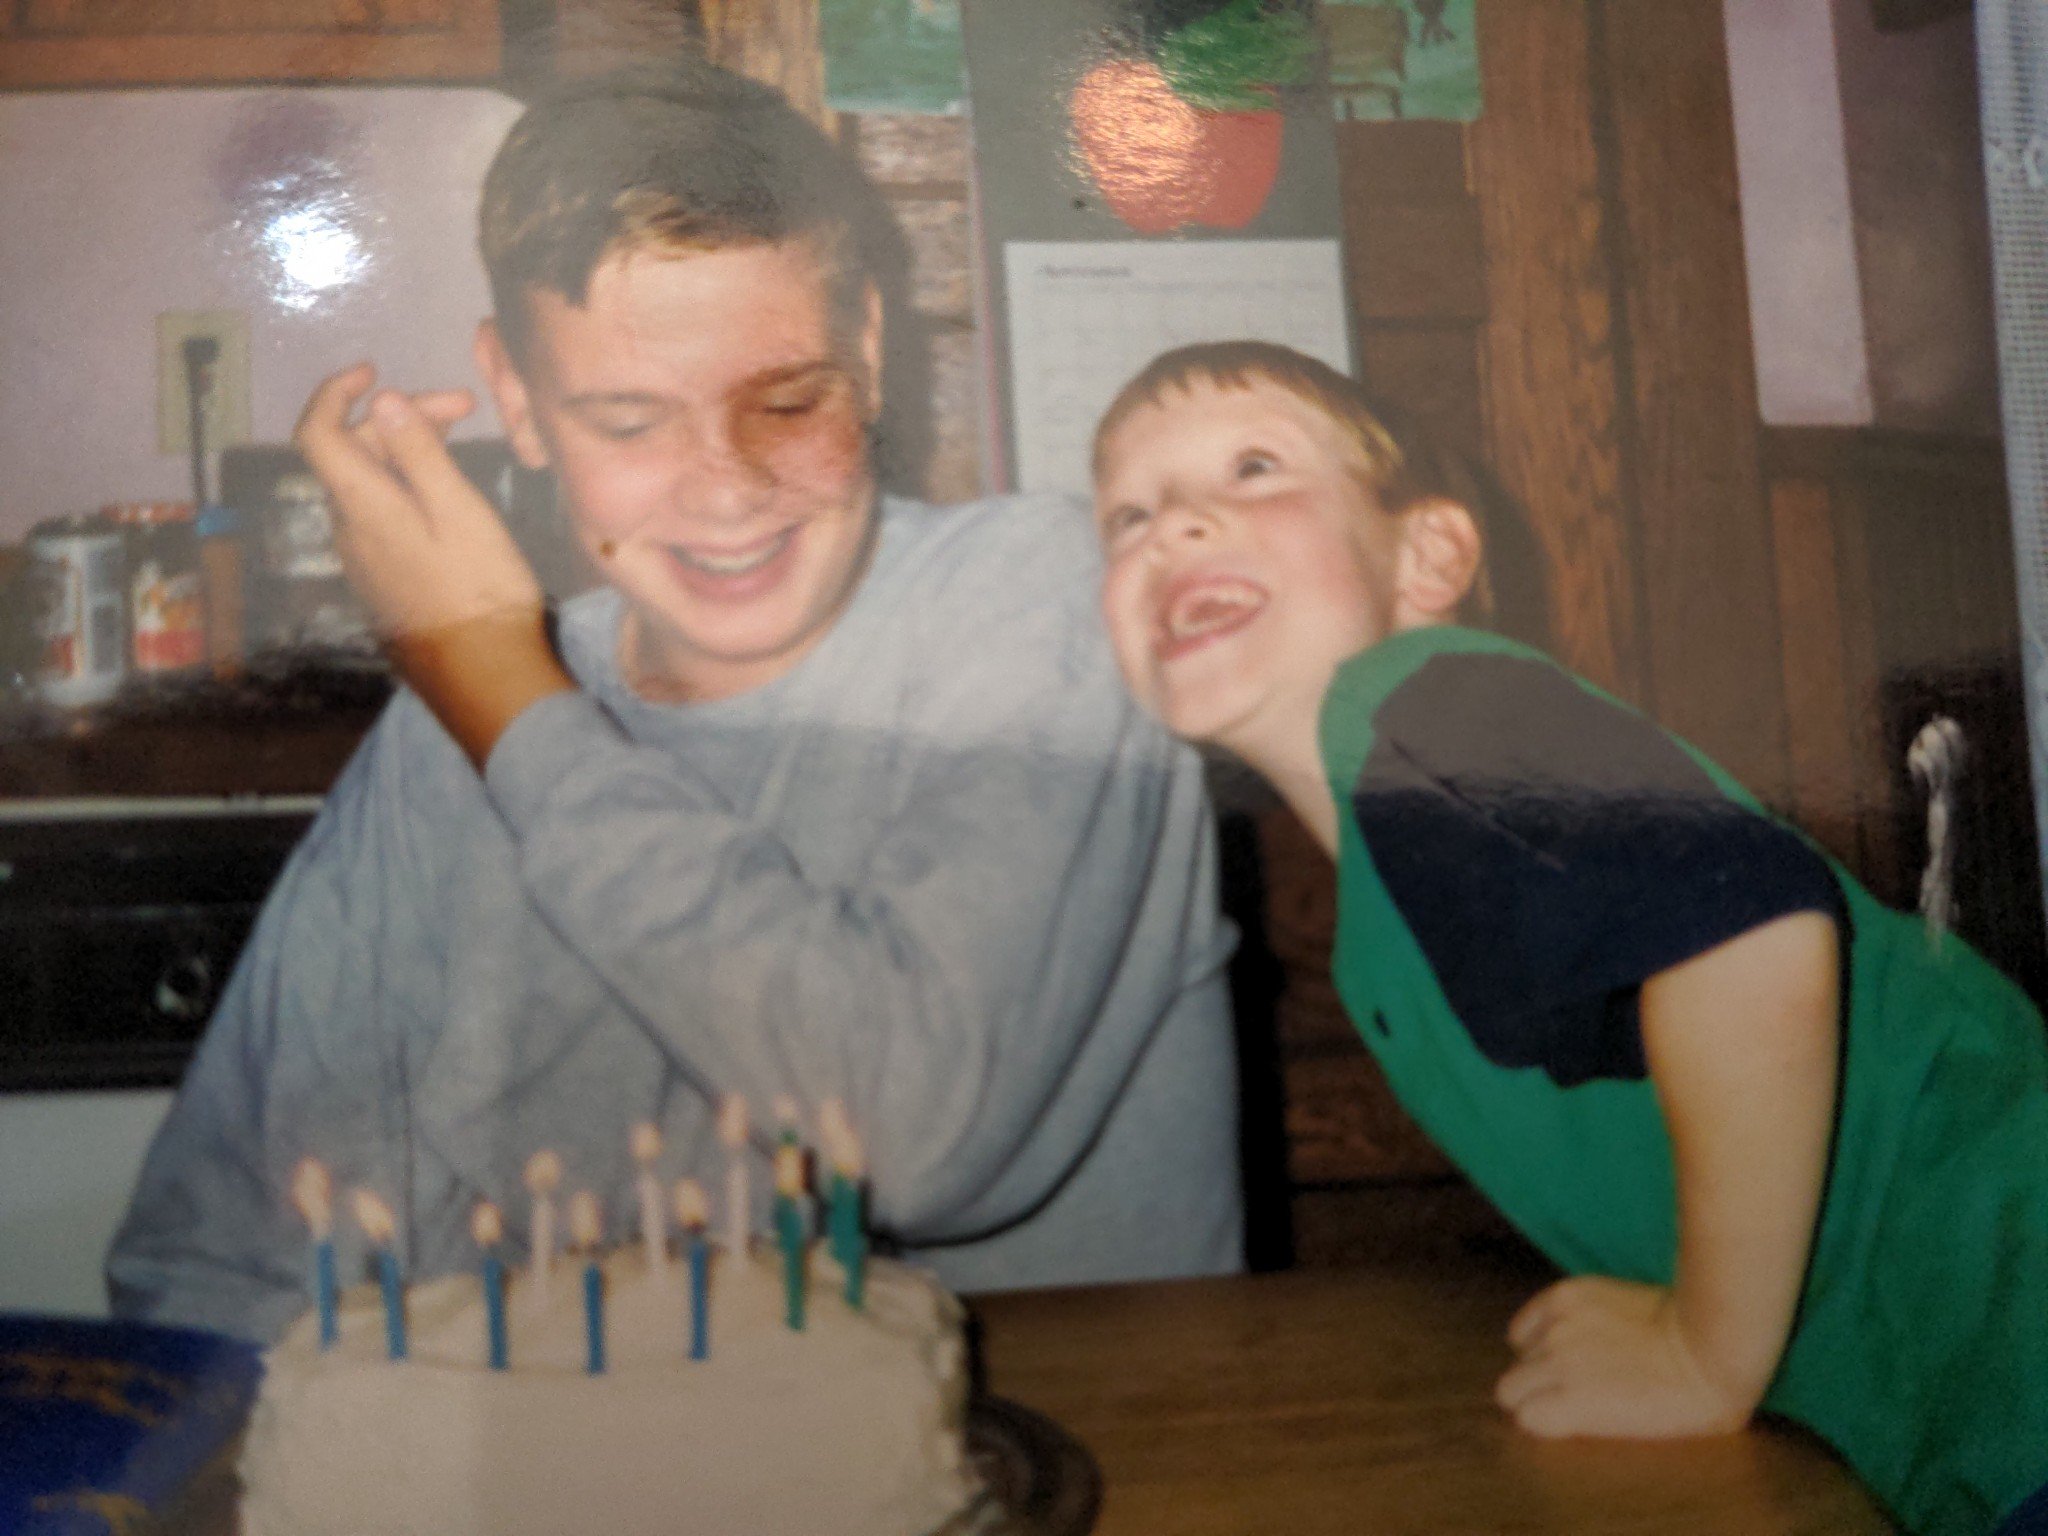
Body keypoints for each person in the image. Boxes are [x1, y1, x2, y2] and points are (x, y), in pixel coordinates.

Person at [107, 62, 1244, 1344]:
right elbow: (211, 1262)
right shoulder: (458, 723)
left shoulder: (1052, 605)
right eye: (627, 419)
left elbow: (909, 1134)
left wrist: (507, 700)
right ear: (520, 404)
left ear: (868, 349)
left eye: (786, 400)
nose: (722, 489)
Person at [1087, 338, 2048, 1536]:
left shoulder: (1426, 706)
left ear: (1427, 555)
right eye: (1124, 516)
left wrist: (1699, 1350)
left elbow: (1745, 933)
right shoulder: (1396, 837)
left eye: (1250, 468)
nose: (1171, 524)